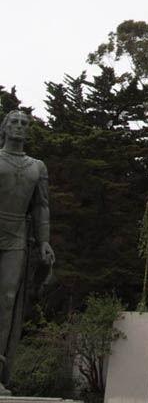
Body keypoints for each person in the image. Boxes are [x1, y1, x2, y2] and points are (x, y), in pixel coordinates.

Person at [0, 110, 55, 395]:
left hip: (17, 235)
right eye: (14, 122)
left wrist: (43, 240)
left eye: (24, 123)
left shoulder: (37, 167)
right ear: (5, 127)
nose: (19, 126)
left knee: (7, 299)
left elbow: (41, 206)